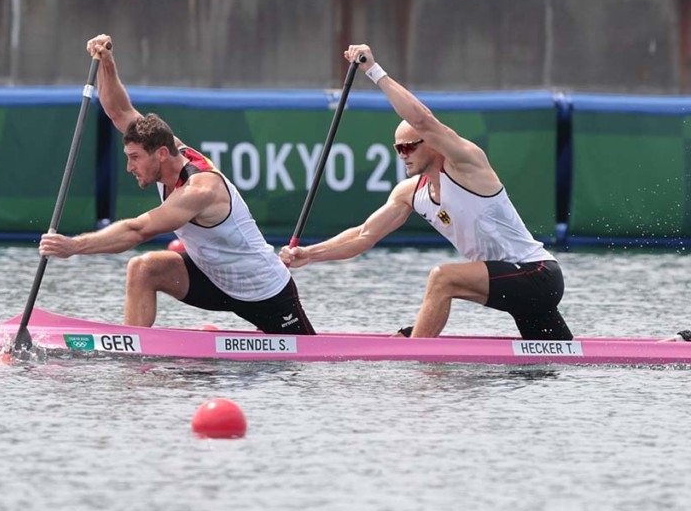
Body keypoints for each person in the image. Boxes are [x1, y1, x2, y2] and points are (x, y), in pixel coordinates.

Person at [280, 43, 573, 341]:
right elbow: (363, 236)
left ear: (431, 143)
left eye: (408, 146)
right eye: (398, 149)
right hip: (513, 286)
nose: (402, 154)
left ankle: (416, 354)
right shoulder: (410, 193)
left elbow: (423, 120)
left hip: (538, 274)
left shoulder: (467, 166)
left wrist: (373, 71)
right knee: (553, 364)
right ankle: (417, 342)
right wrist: (309, 254)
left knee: (442, 278)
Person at [39, 34, 315, 335]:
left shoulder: (200, 190)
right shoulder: (167, 151)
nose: (129, 167)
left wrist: (73, 246)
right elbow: (118, 112)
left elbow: (137, 230)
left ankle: (208, 341)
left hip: (265, 293)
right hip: (213, 279)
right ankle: (134, 351)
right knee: (144, 269)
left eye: (134, 158)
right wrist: (106, 61)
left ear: (160, 154)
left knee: (299, 366)